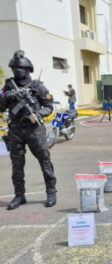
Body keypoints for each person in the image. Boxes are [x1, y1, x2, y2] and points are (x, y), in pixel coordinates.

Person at [0, 50, 57, 210]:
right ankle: (20, 195)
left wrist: (38, 114)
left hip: (34, 130)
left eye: (20, 66)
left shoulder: (37, 86)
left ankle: (51, 192)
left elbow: (49, 106)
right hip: (16, 130)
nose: (17, 69)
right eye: (14, 67)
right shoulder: (8, 85)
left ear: (27, 69)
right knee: (17, 165)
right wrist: (7, 97)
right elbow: (1, 106)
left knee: (45, 161)